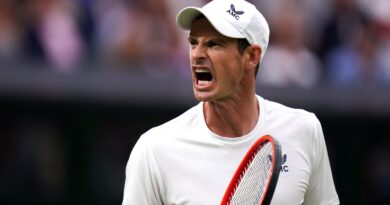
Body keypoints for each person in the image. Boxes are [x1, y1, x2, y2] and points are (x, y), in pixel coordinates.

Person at [122, 0, 340, 204]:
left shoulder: (305, 130)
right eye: (193, 43)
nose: (197, 54)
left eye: (214, 44)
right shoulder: (152, 150)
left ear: (252, 56)